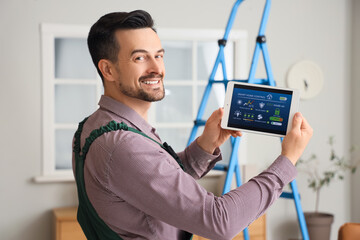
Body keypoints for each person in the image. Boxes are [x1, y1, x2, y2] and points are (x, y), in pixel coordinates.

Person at [72, 10, 313, 240]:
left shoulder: (92, 127)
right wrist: (286, 161)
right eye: (140, 57)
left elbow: (157, 187)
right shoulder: (123, 145)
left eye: (159, 55)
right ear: (108, 69)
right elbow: (220, 220)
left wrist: (205, 146)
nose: (157, 68)